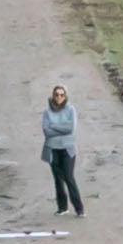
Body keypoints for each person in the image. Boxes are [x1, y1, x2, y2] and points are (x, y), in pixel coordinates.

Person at [41, 84, 84, 216]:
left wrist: (53, 125)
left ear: (65, 96)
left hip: (67, 149)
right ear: (52, 96)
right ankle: (62, 207)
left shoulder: (71, 109)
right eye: (56, 94)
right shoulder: (47, 112)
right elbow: (46, 131)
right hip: (52, 148)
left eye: (62, 95)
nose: (59, 97)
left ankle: (79, 209)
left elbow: (71, 129)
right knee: (57, 179)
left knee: (69, 177)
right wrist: (61, 127)